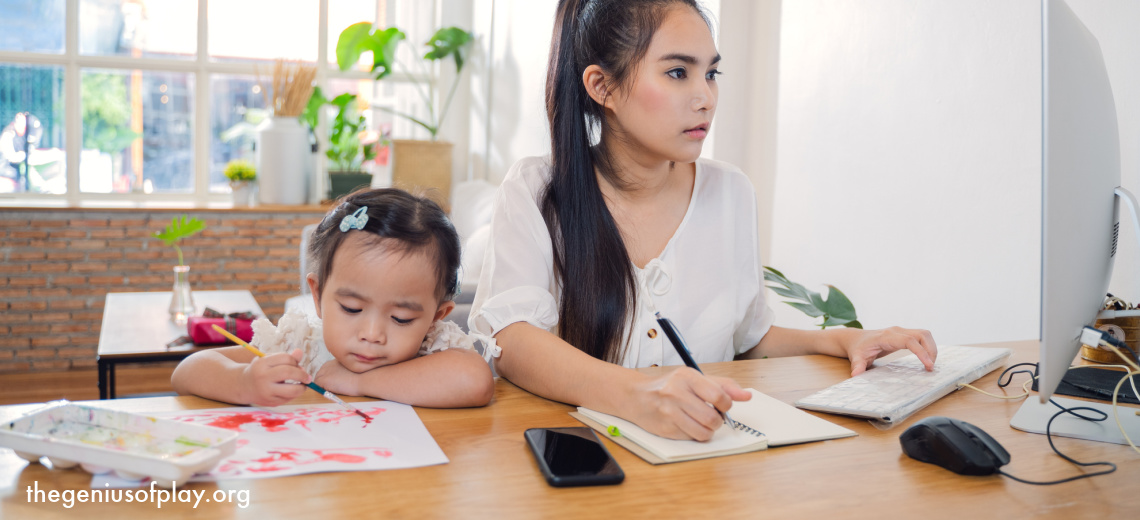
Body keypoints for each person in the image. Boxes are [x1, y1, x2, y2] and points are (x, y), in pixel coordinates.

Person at [468, 0, 938, 441]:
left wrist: (845, 339)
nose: (706, 97)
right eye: (677, 72)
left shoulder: (730, 192)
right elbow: (514, 341)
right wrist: (636, 395)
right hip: (581, 458)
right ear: (602, 86)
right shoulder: (536, 188)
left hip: (699, 459)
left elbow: (747, 339)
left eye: (711, 73)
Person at [173, 188, 495, 408]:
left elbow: (476, 381)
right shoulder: (302, 348)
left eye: (401, 318)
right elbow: (188, 371)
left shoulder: (432, 350)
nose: (371, 334)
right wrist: (243, 382)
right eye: (352, 308)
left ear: (436, 317)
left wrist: (357, 383)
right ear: (317, 295)